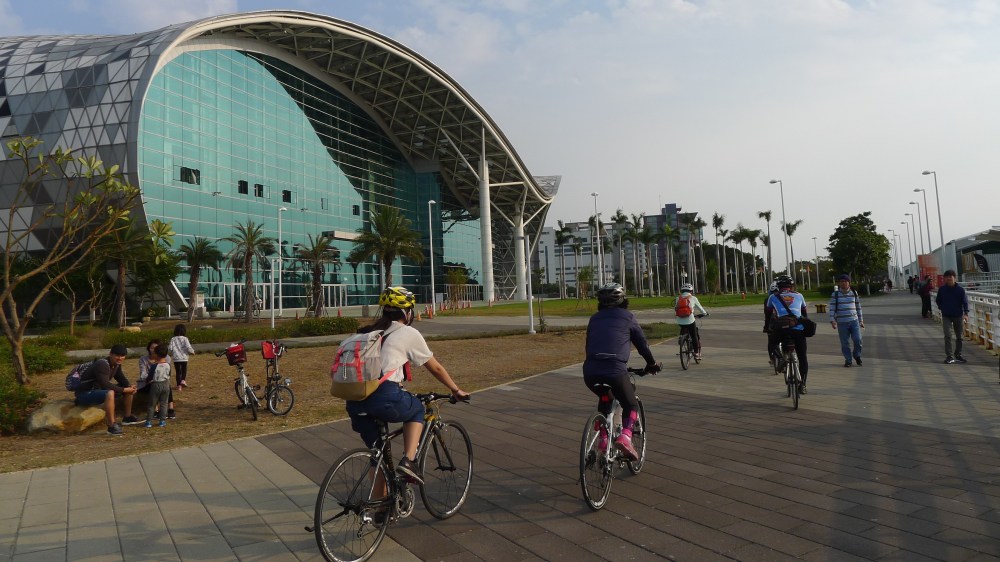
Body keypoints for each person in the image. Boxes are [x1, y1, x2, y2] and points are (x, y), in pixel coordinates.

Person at [345, 286, 469, 484]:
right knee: (417, 409)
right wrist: (456, 390)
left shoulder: (368, 332)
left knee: (379, 458)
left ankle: (380, 504)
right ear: (407, 312)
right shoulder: (407, 332)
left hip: (354, 400)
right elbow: (435, 368)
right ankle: (409, 462)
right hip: (384, 396)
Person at [583, 283, 660, 461]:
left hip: (590, 371)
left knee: (605, 397)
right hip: (615, 370)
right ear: (623, 300)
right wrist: (652, 364)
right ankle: (625, 437)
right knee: (630, 404)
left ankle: (603, 439)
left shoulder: (594, 319)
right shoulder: (628, 317)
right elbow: (642, 345)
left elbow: (589, 345)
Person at [72, 344, 139, 436]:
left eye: (122, 356)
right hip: (85, 394)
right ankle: (112, 426)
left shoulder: (116, 365)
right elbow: (105, 384)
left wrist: (130, 387)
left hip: (98, 391)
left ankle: (127, 417)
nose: (120, 358)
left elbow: (121, 379)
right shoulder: (102, 364)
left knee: (128, 388)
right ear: (110, 354)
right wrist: (124, 389)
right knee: (110, 392)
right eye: (117, 355)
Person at [764, 275, 810, 394]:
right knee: (802, 357)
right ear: (791, 286)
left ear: (778, 287)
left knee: (772, 342)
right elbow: (805, 314)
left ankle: (780, 358)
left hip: (782, 329)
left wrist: (767, 328)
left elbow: (768, 315)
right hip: (798, 330)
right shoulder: (799, 295)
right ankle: (803, 385)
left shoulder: (772, 297)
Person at [829, 274, 864, 368]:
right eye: (841, 282)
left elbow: (858, 307)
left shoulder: (854, 293)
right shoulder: (835, 294)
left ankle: (856, 355)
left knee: (858, 340)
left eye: (845, 281)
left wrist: (861, 320)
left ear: (849, 283)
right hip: (842, 323)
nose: (843, 283)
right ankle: (848, 360)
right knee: (845, 343)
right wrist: (832, 320)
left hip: (854, 321)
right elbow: (832, 308)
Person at [936, 270, 970, 364]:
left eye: (950, 277)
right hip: (946, 315)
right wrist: (942, 307)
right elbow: (938, 300)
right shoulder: (942, 289)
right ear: (944, 279)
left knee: (959, 336)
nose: (949, 279)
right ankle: (949, 356)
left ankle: (958, 354)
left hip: (958, 315)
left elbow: (965, 302)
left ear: (955, 278)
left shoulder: (960, 290)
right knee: (947, 335)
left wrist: (966, 313)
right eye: (947, 277)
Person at [138, 339, 176, 419]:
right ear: (148, 348)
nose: (153, 350)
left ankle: (171, 408)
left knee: (166, 385)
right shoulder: (143, 359)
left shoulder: (166, 358)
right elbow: (143, 375)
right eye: (152, 348)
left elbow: (167, 373)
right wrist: (153, 378)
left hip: (161, 382)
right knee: (155, 385)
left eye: (156, 349)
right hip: (146, 383)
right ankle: (155, 411)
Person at [674, 283, 709, 359]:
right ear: (691, 291)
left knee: (683, 327)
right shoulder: (693, 298)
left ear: (682, 291)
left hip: (680, 320)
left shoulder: (678, 298)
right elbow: (701, 308)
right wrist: (705, 313)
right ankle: (696, 353)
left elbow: (675, 309)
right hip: (690, 320)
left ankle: (681, 338)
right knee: (694, 335)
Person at [144, 344, 172, 427]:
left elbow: (150, 377)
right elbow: (169, 374)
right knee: (164, 403)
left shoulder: (154, 366)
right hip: (166, 384)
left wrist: (147, 381)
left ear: (156, 354)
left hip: (156, 385)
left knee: (152, 404)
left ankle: (149, 421)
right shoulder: (168, 365)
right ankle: (162, 421)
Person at [168, 324, 195, 390]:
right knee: (184, 370)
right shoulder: (185, 339)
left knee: (178, 372)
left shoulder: (173, 339)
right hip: (184, 358)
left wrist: (171, 352)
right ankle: (183, 380)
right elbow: (188, 347)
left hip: (176, 358)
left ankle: (179, 386)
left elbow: (170, 348)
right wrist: (192, 352)